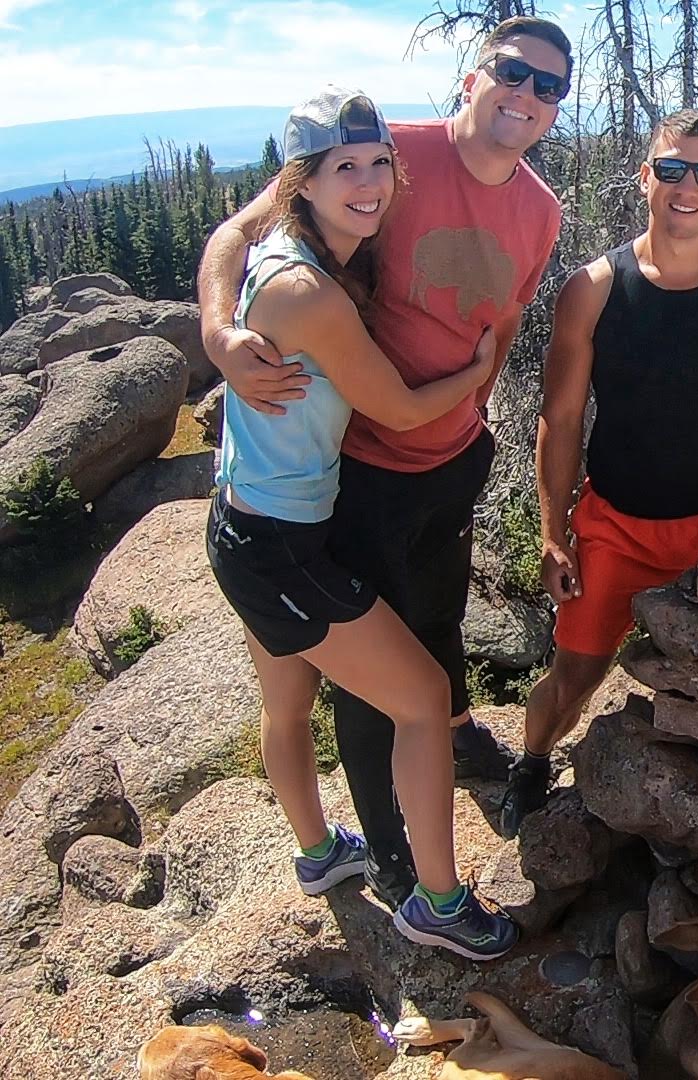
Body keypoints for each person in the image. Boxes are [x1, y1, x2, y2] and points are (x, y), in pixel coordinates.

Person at [197, 17, 571, 909]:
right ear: (475, 77)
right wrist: (217, 333)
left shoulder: (541, 212)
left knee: (436, 615)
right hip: (358, 468)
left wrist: (477, 406)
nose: (526, 97)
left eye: (549, 86)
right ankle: (402, 863)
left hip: (450, 458)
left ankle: (451, 728)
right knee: (372, 684)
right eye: (513, 74)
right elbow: (233, 238)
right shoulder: (384, 158)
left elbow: (502, 321)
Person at [498, 108, 698, 838]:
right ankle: (533, 760)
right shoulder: (595, 288)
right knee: (574, 674)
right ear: (644, 177)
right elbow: (561, 418)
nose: (687, 185)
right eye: (671, 168)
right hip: (614, 522)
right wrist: (551, 530)